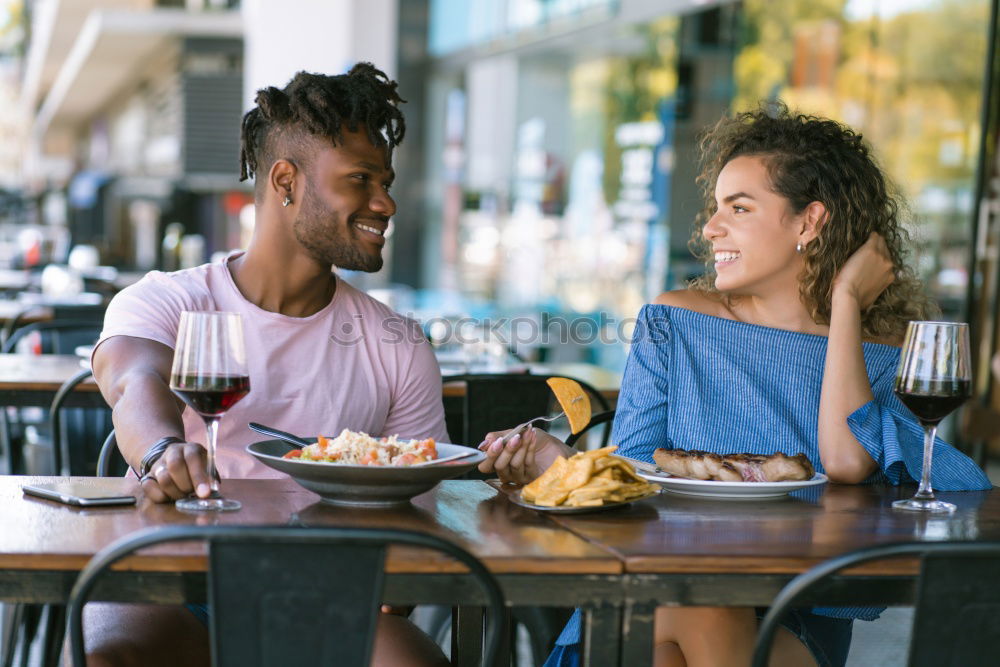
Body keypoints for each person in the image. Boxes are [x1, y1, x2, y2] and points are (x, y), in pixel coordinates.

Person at [479, 102, 992, 667]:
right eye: (716, 207)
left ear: (809, 221)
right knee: (694, 606)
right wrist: (563, 461)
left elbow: (846, 462)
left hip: (794, 615)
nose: (710, 227)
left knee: (699, 619)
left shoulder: (883, 351)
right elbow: (630, 475)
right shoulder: (675, 320)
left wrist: (845, 305)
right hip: (659, 596)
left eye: (739, 208)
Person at [86, 63, 449, 667]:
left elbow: (422, 503)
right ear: (286, 181)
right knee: (113, 656)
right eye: (360, 180)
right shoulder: (171, 298)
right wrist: (161, 453)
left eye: (385, 182)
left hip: (322, 594)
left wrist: (395, 590)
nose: (385, 203)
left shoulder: (398, 341)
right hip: (173, 577)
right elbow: (133, 380)